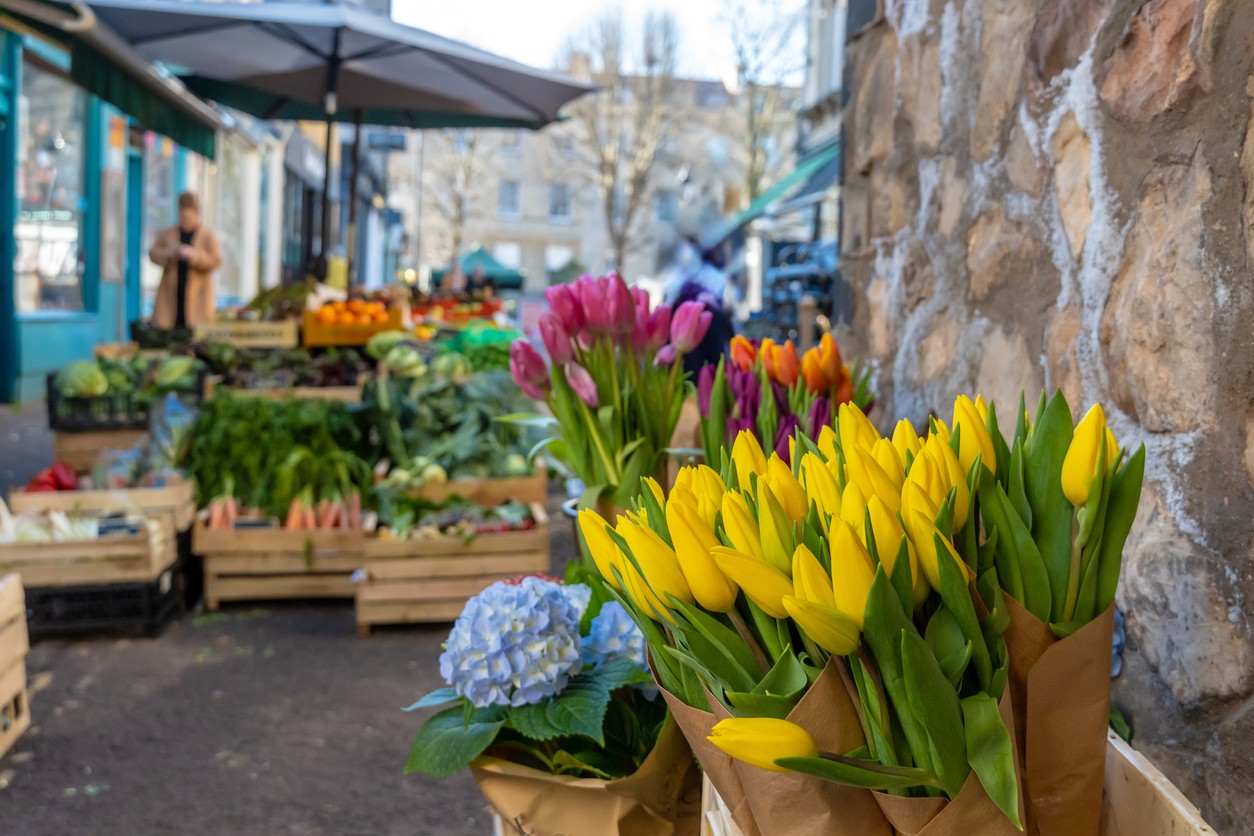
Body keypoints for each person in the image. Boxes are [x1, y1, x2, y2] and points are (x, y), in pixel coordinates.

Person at [149, 192, 221, 329]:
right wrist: (169, 254)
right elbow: (153, 253)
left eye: (189, 217)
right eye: (182, 216)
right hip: (171, 298)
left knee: (195, 339)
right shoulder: (169, 233)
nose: (185, 220)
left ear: (196, 213)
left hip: (197, 299)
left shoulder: (207, 235)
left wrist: (193, 255)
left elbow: (215, 261)